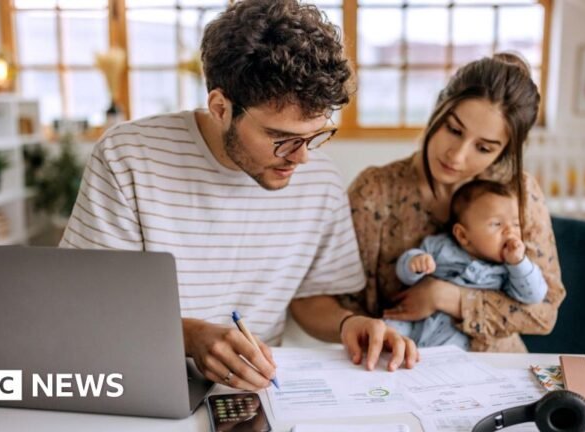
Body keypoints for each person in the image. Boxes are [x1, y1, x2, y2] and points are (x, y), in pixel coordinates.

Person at [60, 0, 417, 392]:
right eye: (280, 138)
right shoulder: (130, 156)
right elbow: (89, 305)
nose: (301, 158)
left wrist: (350, 324)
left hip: (256, 392)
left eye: (315, 135)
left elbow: (310, 300)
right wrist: (191, 337)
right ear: (220, 107)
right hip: (141, 379)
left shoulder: (320, 180)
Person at [342, 52, 566, 352]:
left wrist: (446, 297)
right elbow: (338, 303)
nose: (457, 156)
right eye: (454, 130)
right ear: (438, 109)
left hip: (496, 371)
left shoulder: (519, 193)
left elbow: (544, 311)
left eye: (484, 147)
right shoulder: (374, 191)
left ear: (504, 152)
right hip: (397, 364)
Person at [387, 180, 549, 349]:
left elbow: (534, 295)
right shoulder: (440, 247)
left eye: (516, 224)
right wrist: (414, 263)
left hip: (455, 333)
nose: (510, 231)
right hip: (415, 322)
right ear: (463, 236)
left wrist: (518, 263)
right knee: (388, 329)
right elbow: (404, 276)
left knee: (454, 355)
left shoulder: (508, 271)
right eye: (496, 224)